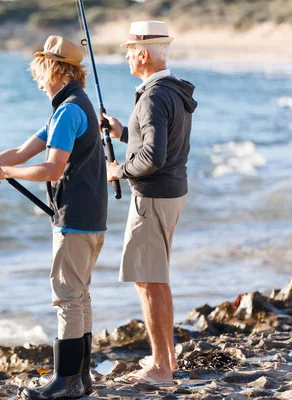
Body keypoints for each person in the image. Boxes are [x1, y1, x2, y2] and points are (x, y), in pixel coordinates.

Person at [0, 35, 107, 400]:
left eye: (40, 73)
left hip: (74, 219)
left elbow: (50, 168)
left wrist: (8, 174)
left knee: (67, 299)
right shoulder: (75, 107)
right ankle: (81, 378)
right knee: (80, 296)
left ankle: (66, 381)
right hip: (90, 218)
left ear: (55, 71)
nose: (38, 80)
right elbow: (18, 151)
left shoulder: (69, 111)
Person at [103, 21, 197, 386]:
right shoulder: (171, 91)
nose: (127, 56)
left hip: (154, 196)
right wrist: (121, 133)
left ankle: (160, 368)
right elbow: (162, 143)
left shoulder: (154, 95)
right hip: (171, 193)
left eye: (129, 50)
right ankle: (167, 358)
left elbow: (153, 157)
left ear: (143, 54)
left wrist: (118, 170)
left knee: (147, 280)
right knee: (155, 278)